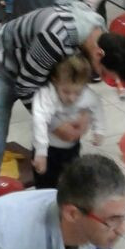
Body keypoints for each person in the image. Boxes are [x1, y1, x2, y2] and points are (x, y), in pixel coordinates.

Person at [0, 0, 125, 205]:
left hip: (36, 66)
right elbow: (26, 86)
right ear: (99, 54)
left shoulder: (98, 35)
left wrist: (84, 115)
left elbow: (77, 78)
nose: (100, 77)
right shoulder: (56, 38)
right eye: (103, 73)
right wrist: (57, 125)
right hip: (1, 64)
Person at [31, 53, 104, 190]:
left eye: (77, 93)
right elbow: (39, 121)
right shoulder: (46, 95)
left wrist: (99, 130)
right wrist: (41, 153)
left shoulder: (87, 94)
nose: (71, 98)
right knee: (45, 185)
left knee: (70, 184)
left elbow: (97, 106)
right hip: (49, 149)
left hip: (72, 148)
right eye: (66, 92)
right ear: (55, 81)